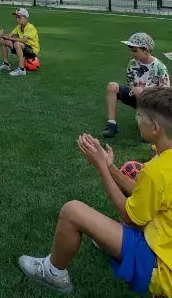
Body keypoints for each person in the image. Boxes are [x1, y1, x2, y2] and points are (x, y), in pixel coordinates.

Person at [18, 86, 172, 297]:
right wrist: (111, 167)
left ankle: (53, 273)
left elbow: (130, 216)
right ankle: (109, 240)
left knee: (73, 211)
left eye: (140, 116)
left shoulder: (158, 170)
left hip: (162, 264)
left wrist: (101, 167)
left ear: (155, 128)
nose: (137, 120)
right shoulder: (163, 163)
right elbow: (149, 194)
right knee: (132, 175)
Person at [103, 32, 169, 138]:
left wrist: (145, 93)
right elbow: (130, 80)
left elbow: (165, 92)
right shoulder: (132, 63)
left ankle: (147, 126)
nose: (132, 53)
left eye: (135, 51)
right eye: (131, 50)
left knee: (139, 91)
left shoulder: (160, 67)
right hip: (136, 95)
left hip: (153, 102)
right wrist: (133, 88)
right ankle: (111, 124)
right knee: (112, 86)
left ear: (146, 50)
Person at [0, 8, 40, 76]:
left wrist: (9, 38)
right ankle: (6, 64)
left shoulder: (30, 27)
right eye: (16, 17)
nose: (17, 19)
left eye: (19, 17)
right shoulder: (18, 27)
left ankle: (21, 69)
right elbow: (9, 35)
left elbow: (23, 40)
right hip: (23, 47)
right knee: (3, 41)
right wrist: (2, 35)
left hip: (31, 51)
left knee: (17, 43)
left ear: (25, 17)